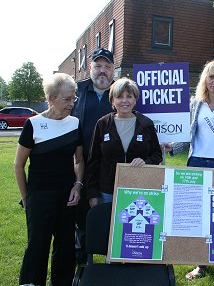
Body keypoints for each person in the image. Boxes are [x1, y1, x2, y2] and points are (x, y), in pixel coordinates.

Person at [166, 60, 214, 286]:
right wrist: (172, 147)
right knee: (199, 217)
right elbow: (189, 135)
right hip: (197, 162)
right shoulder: (195, 103)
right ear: (205, 79)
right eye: (211, 77)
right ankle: (201, 264)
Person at [14, 73, 84, 286]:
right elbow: (18, 164)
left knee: (65, 247)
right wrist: (26, 197)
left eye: (74, 98)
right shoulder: (33, 124)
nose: (71, 103)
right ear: (51, 98)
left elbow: (79, 161)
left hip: (67, 196)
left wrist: (78, 186)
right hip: (40, 195)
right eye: (66, 99)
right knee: (37, 245)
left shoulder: (74, 123)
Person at [85, 77, 162, 206]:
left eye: (129, 96)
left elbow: (157, 155)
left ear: (135, 99)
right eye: (119, 97)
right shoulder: (102, 124)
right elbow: (93, 161)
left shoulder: (146, 124)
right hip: (107, 191)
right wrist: (92, 194)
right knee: (106, 225)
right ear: (112, 100)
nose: (124, 101)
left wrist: (146, 162)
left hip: (138, 188)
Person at [71, 47, 115, 263]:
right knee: (79, 211)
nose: (102, 71)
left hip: (108, 167)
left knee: (107, 211)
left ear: (113, 70)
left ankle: (110, 254)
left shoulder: (120, 93)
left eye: (107, 67)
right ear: (90, 68)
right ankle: (80, 254)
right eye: (98, 66)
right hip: (79, 163)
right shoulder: (76, 91)